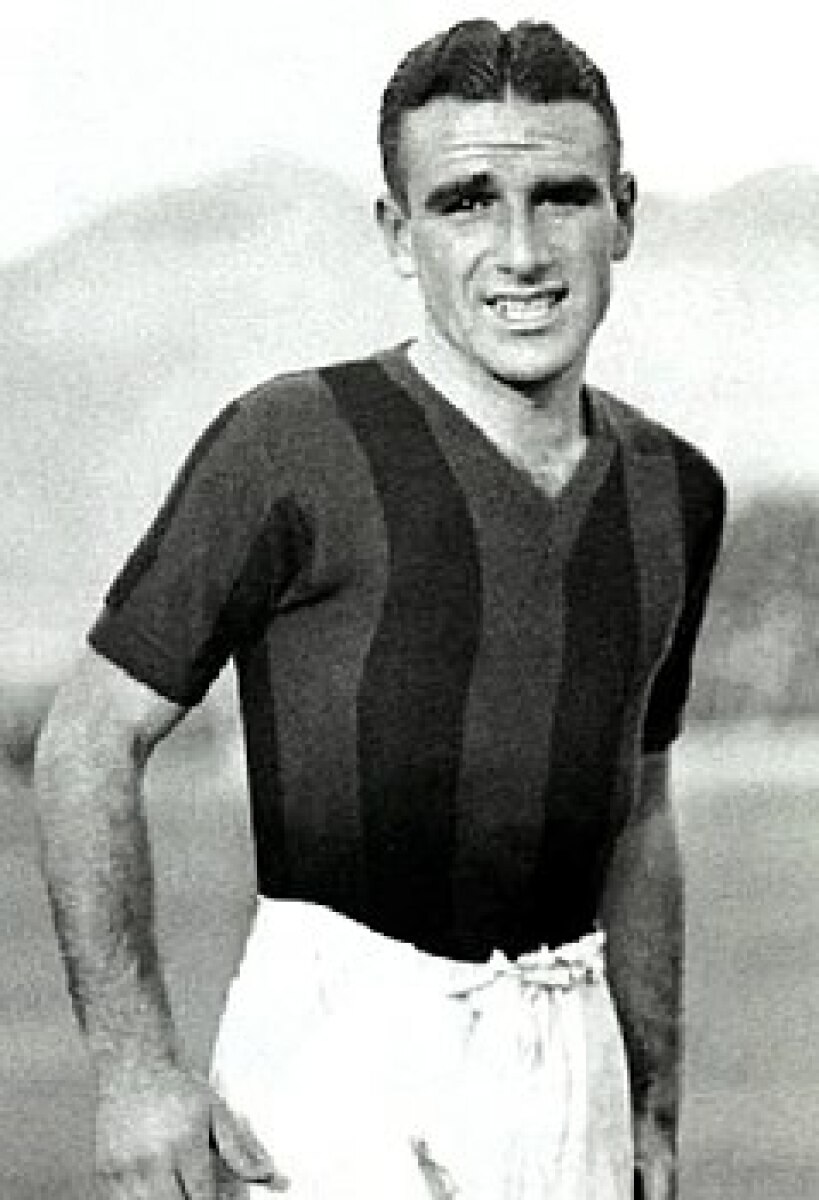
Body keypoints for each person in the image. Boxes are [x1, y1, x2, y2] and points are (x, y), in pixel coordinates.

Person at [34, 18, 725, 1200]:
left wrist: (652, 1102)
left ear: (623, 214)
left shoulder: (675, 491)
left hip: (578, 1069)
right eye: (466, 203)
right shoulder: (290, 443)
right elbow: (88, 739)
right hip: (335, 1059)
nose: (521, 252)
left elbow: (640, 808)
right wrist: (136, 1070)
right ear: (399, 234)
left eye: (560, 197)